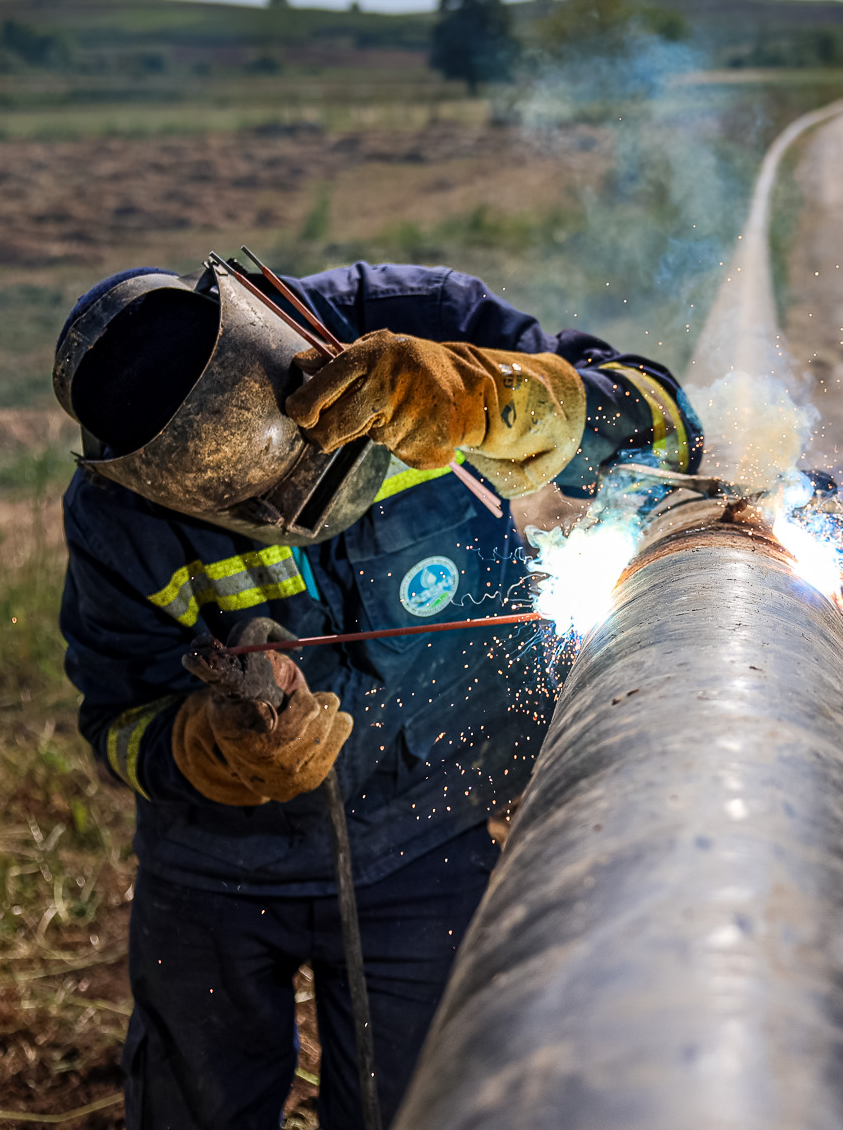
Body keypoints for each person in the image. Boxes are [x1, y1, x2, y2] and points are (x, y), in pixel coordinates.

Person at [53, 259, 699, 1129]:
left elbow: (666, 429)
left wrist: (495, 398)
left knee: (422, 1108)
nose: (284, 511)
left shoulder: (423, 321)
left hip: (429, 839)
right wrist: (211, 747)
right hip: (215, 872)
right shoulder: (114, 514)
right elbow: (118, 718)